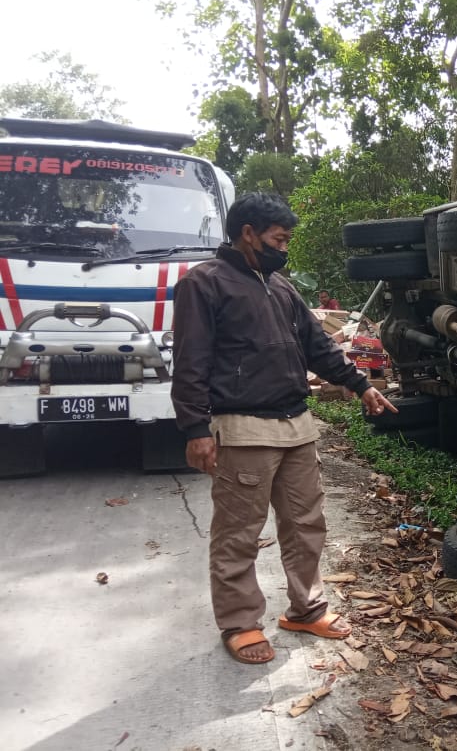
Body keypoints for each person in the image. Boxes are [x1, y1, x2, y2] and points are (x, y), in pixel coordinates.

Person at [171, 192, 398, 665]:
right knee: (239, 533)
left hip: (297, 426)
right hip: (243, 428)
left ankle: (306, 607)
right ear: (248, 233)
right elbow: (190, 361)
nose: (285, 248)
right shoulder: (204, 284)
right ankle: (240, 622)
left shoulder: (282, 286)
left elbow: (318, 347)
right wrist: (195, 428)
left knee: (305, 524)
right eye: (279, 239)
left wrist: (360, 386)